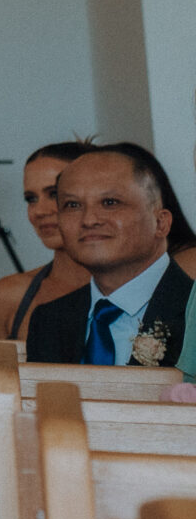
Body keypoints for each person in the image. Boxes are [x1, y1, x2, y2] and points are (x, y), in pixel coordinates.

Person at [27, 143, 196, 367]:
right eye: (73, 205)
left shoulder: (188, 307)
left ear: (160, 223)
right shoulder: (50, 319)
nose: (89, 220)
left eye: (110, 203)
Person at [0, 142, 97, 340]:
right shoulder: (9, 295)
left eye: (53, 194)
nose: (39, 211)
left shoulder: (132, 288)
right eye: (31, 199)